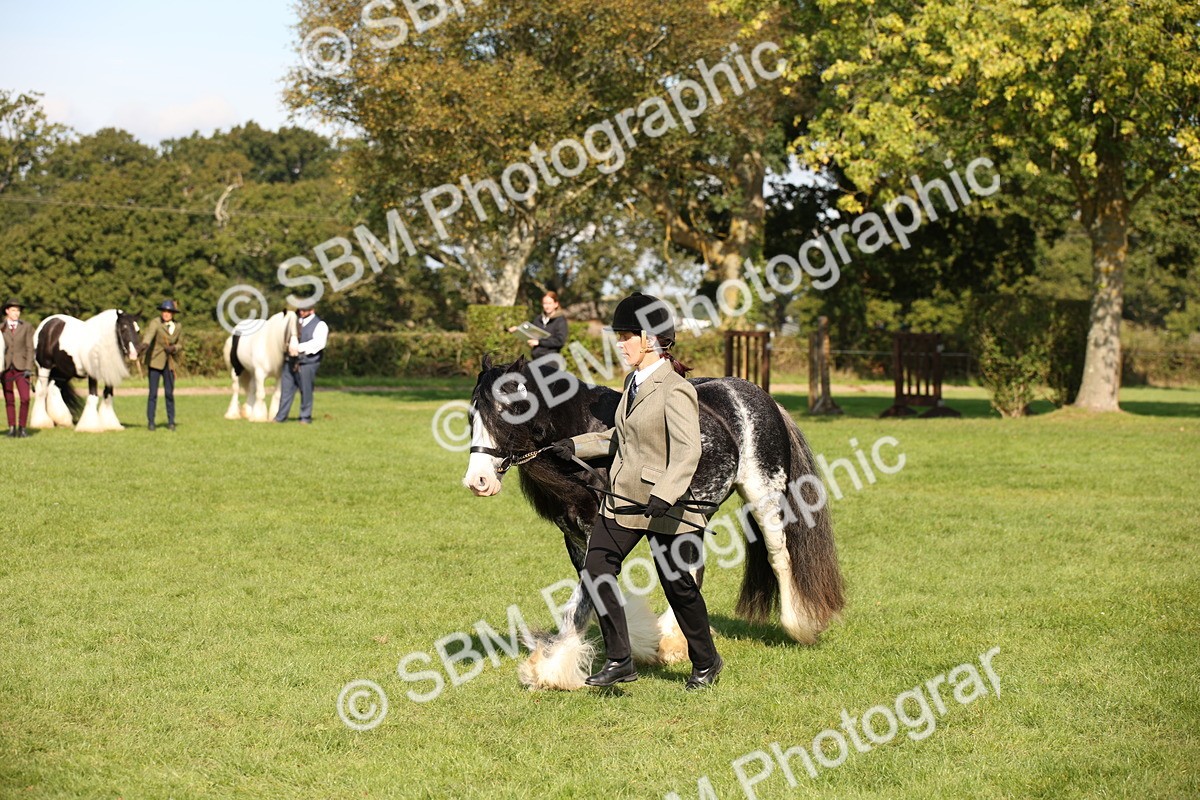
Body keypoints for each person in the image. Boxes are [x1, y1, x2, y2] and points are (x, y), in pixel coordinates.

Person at [551, 292, 723, 690]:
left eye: (626, 336)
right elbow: (621, 437)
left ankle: (707, 661)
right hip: (623, 499)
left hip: (667, 506)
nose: (620, 343)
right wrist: (576, 446)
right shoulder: (633, 382)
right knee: (597, 569)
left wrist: (665, 493)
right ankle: (620, 659)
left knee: (678, 587)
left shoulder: (675, 389)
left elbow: (687, 451)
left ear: (649, 339)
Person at [274, 304, 328, 425]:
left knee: (306, 390)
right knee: (286, 390)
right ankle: (280, 417)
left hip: (307, 362)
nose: (301, 312)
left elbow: (318, 343)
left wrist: (298, 348)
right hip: (290, 361)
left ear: (312, 310)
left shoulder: (320, 324)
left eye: (304, 310)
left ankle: (305, 417)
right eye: (300, 310)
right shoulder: (295, 322)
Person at [142, 299, 182, 431]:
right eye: (164, 311)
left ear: (173, 313)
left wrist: (174, 348)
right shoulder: (156, 323)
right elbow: (149, 334)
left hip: (170, 363)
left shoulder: (178, 326)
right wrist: (145, 344)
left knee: (169, 393)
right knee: (153, 393)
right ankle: (151, 422)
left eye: (169, 311)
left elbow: (181, 343)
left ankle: (171, 421)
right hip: (155, 361)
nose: (166, 314)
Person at [2, 298, 35, 438]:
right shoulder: (1, 327)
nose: (17, 313)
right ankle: (11, 428)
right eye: (14, 310)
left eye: (18, 310)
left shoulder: (26, 327)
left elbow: (30, 348)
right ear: (7, 311)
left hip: (22, 368)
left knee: (25, 398)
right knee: (9, 399)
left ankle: (22, 428)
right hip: (5, 368)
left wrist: (28, 367)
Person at [508, 291, 568, 360]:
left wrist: (539, 342)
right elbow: (530, 331)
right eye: (545, 303)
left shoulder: (560, 320)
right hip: (535, 358)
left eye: (549, 303)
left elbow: (560, 341)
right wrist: (517, 329)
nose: (547, 306)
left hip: (551, 361)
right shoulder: (538, 319)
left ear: (556, 304)